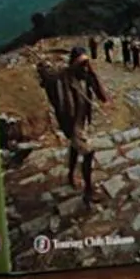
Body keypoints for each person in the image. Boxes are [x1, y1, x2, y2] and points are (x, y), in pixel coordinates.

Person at [38, 47, 110, 203]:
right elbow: (47, 79)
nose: (84, 67)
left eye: (85, 63)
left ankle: (71, 175)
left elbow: (102, 96)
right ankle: (88, 191)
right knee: (88, 152)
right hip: (71, 123)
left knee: (74, 147)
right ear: (73, 64)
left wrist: (90, 70)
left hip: (82, 121)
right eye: (81, 64)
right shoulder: (63, 78)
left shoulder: (86, 76)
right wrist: (42, 66)